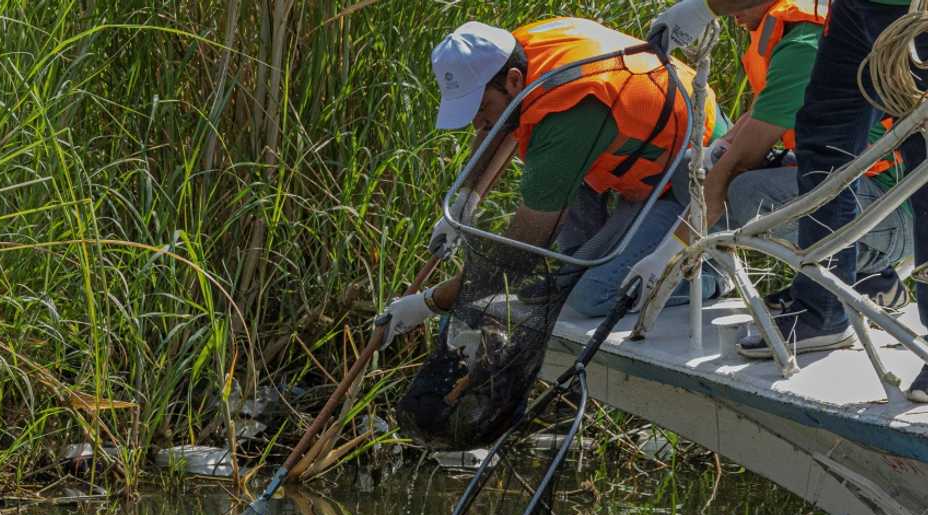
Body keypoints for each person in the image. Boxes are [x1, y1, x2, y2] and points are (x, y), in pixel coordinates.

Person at [379, 16, 729, 350]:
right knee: (569, 274)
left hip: (691, 185)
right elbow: (497, 125)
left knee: (592, 295)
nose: (476, 123)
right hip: (633, 164)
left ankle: (709, 276)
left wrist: (428, 303)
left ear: (514, 80)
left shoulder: (570, 112)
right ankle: (603, 258)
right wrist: (466, 199)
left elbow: (522, 252)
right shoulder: (510, 56)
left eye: (481, 106)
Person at [650, 0, 928, 401]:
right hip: (858, 7)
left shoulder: (798, 39)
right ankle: (823, 310)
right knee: (825, 136)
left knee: (924, 149)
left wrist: (706, 7)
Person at [672, 0, 911, 318]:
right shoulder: (778, 28)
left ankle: (872, 277)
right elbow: (756, 119)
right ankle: (701, 281)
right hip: (846, 185)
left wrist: (674, 249)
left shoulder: (804, 41)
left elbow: (742, 160)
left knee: (747, 193)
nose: (729, 12)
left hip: (894, 205)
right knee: (693, 170)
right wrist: (711, 161)